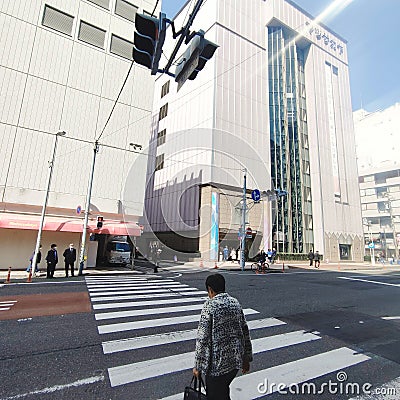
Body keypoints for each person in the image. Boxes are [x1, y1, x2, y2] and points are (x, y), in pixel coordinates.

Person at [193, 273, 253, 400]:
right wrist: (246, 358)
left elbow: (202, 339)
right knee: (223, 392)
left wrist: (198, 366)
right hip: (234, 363)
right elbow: (244, 331)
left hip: (217, 365)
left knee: (216, 394)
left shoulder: (209, 306)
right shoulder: (235, 303)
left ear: (210, 290)